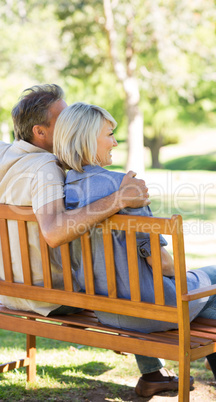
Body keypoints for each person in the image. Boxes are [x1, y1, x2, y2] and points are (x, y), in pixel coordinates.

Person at [53, 101, 216, 401]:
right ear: (86, 138)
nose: (116, 141)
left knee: (197, 292)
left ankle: (155, 375)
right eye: (109, 134)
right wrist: (186, 277)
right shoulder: (125, 188)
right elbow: (162, 264)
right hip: (151, 312)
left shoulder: (64, 192)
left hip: (105, 310)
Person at [0, 85, 176, 397]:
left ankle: (154, 372)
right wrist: (118, 198)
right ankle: (152, 369)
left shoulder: (4, 153)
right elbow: (54, 232)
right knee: (119, 274)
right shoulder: (45, 168)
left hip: (6, 288)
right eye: (63, 120)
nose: (72, 125)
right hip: (49, 296)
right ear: (39, 131)